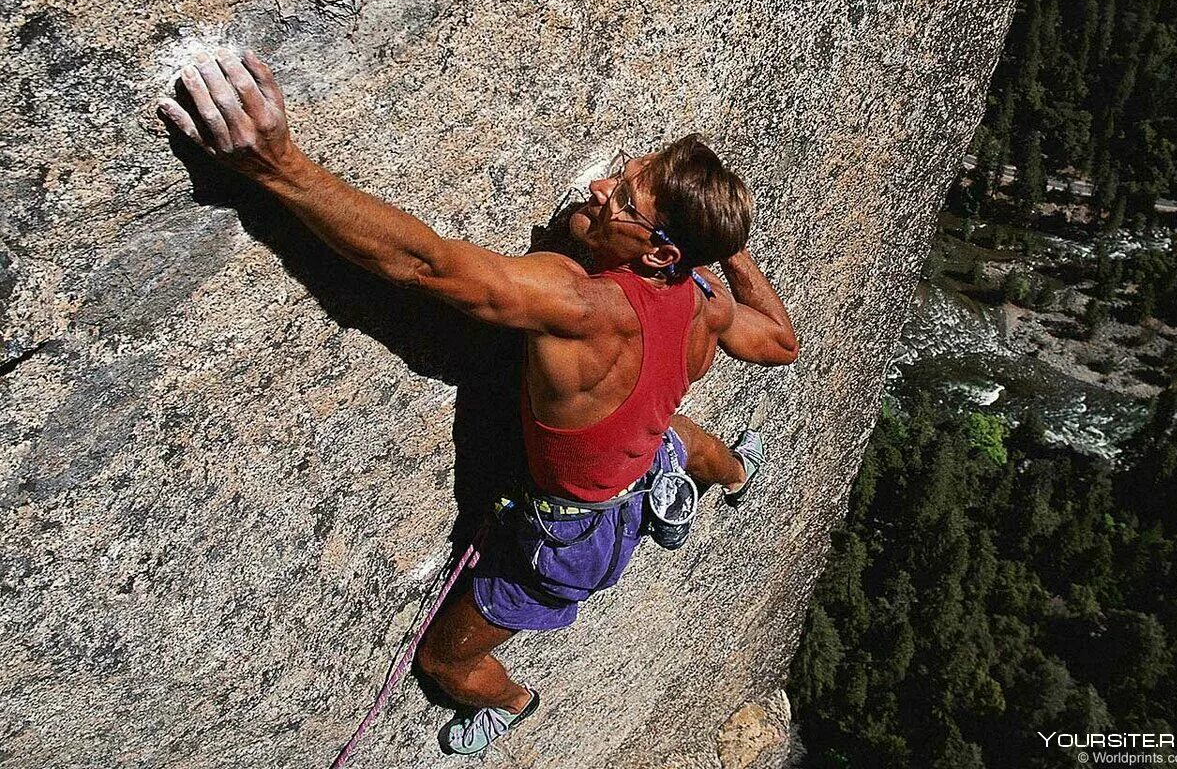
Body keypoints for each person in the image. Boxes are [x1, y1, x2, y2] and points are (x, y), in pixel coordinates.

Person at [158, 48, 799, 755]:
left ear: (657, 254)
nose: (598, 188)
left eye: (622, 199)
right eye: (623, 173)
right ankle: (736, 475)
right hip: (643, 451)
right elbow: (778, 341)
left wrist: (278, 166)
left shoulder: (580, 305)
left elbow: (424, 264)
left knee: (446, 660)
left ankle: (513, 702)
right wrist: (723, 250)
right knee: (673, 437)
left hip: (572, 534)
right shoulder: (703, 300)